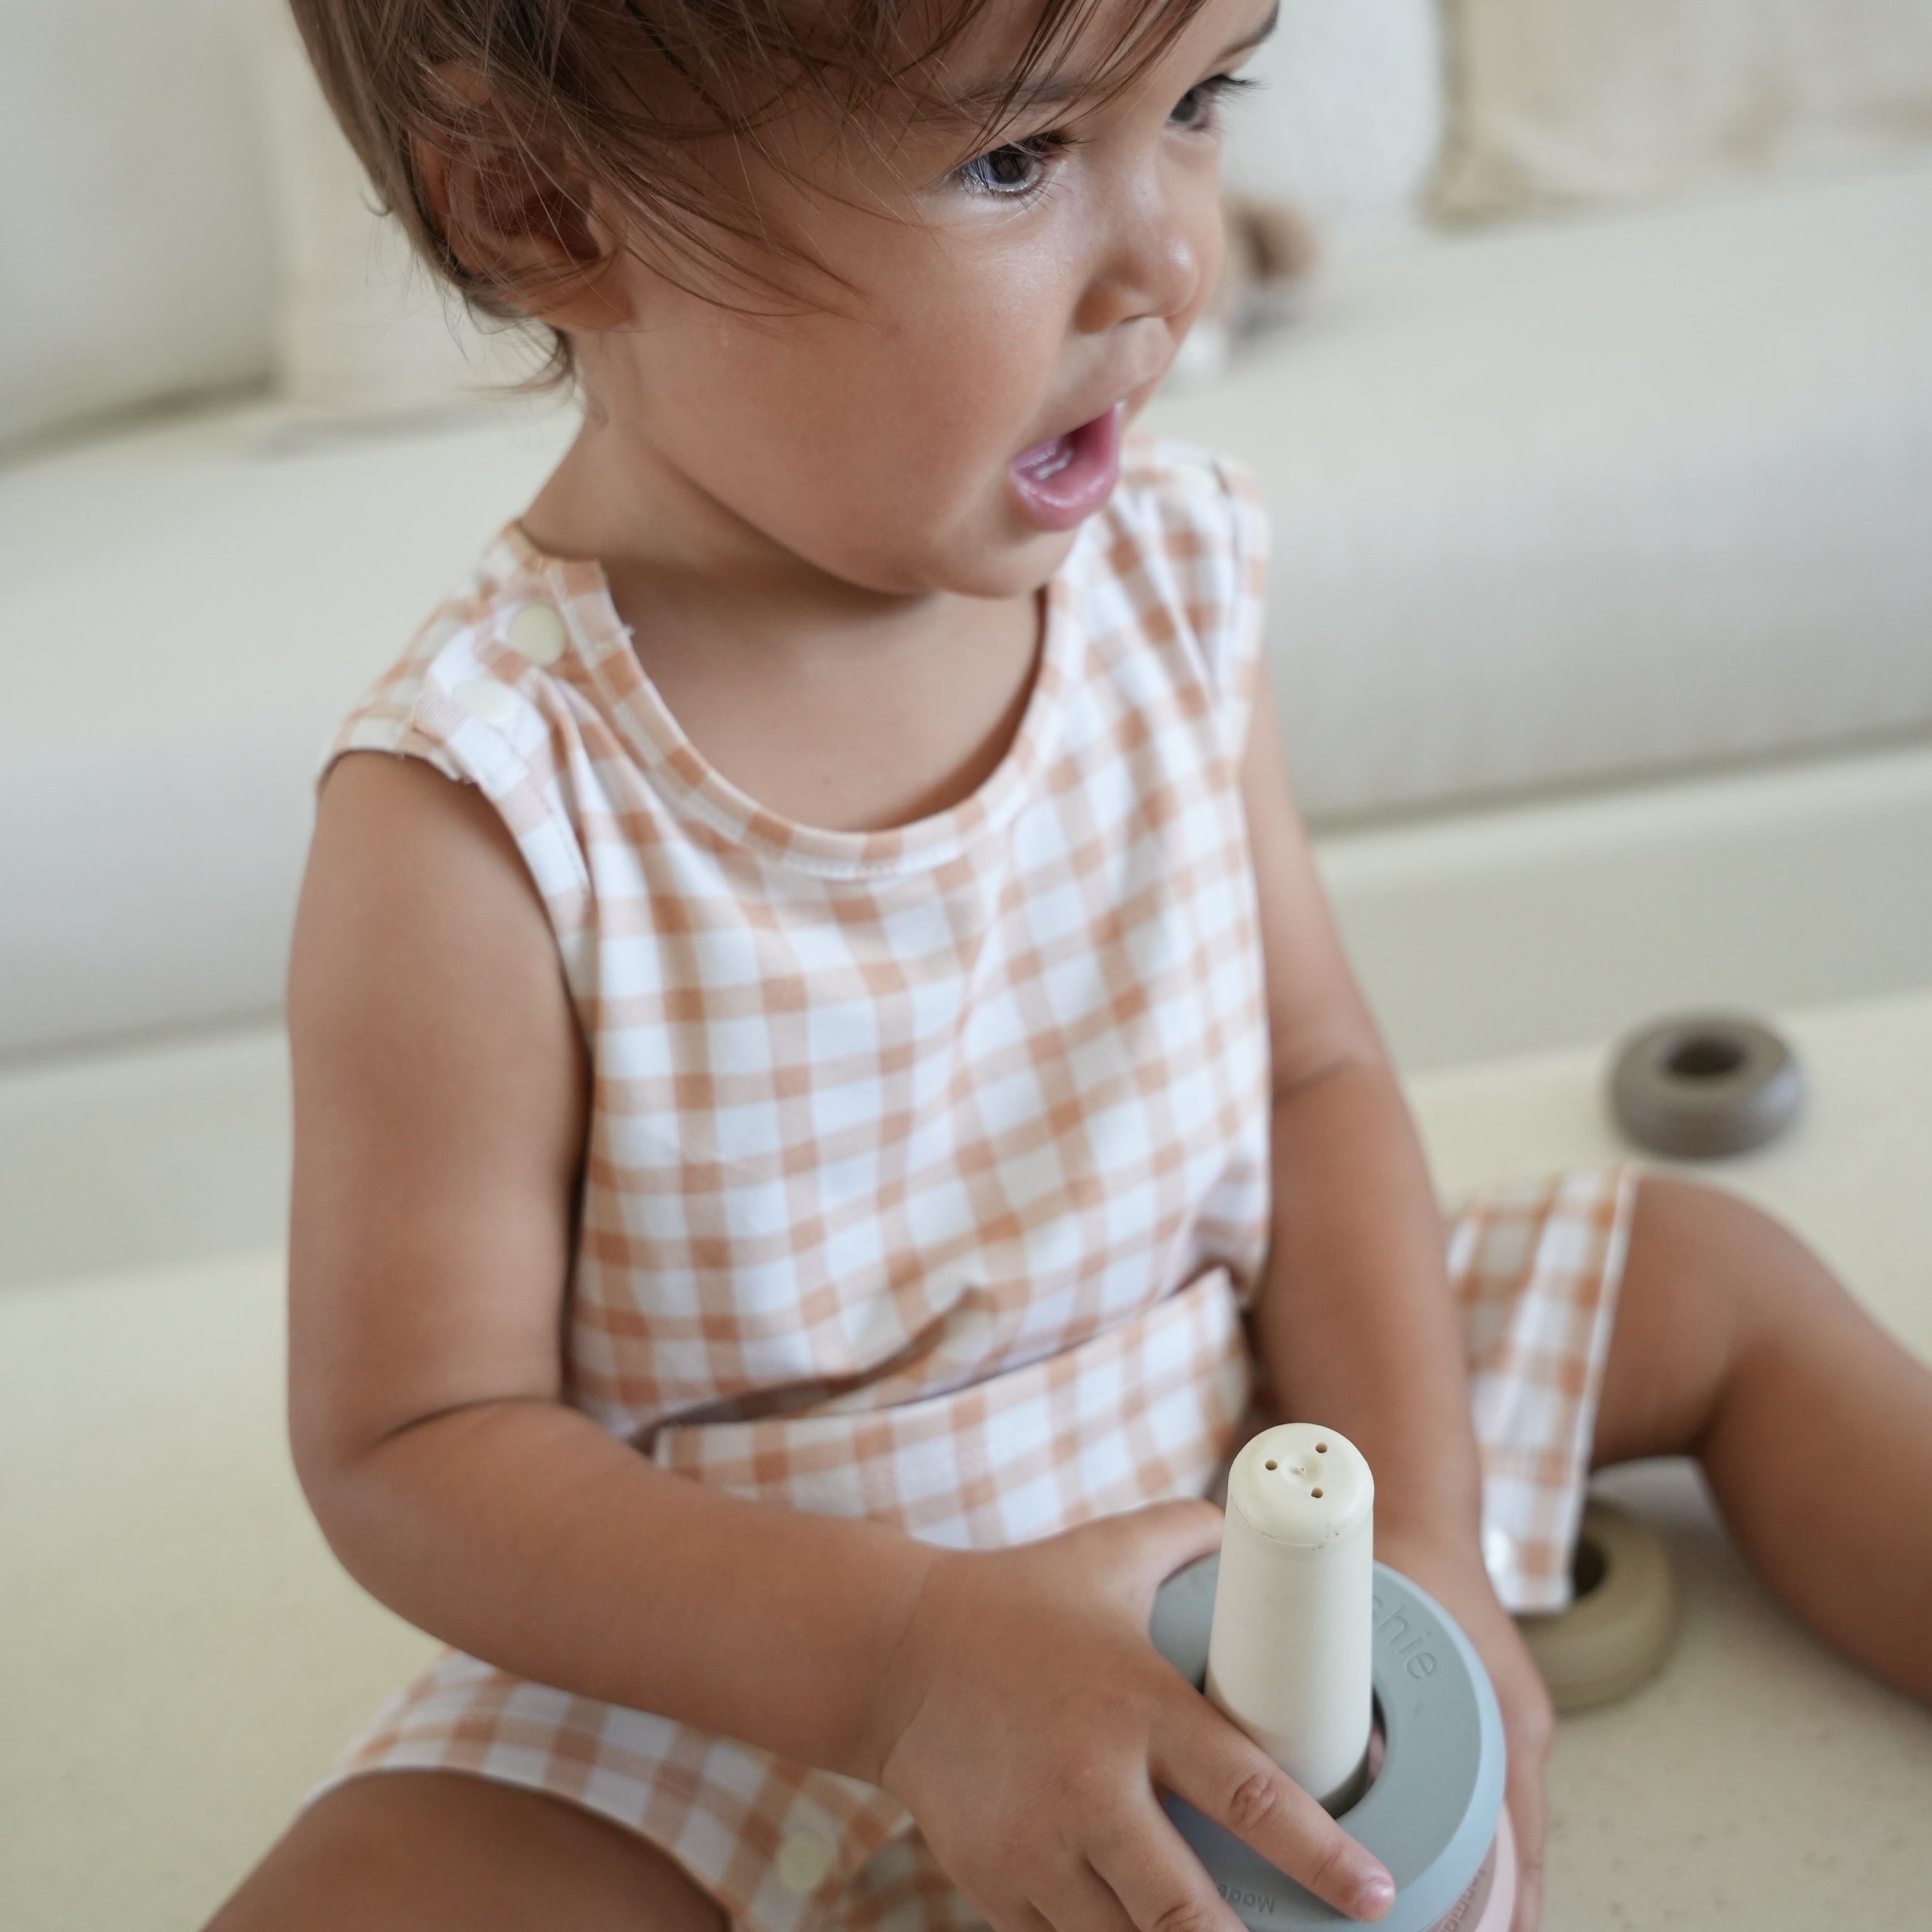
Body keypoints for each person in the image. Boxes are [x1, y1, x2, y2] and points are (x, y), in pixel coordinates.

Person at [209, 1, 1932, 1927]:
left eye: (1199, 103)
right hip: (763, 1619)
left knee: (1709, 1274)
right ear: (540, 208)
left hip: (1237, 1409)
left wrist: (1416, 1535)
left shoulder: (1162, 579)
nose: (1173, 258)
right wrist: (905, 1661)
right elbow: (419, 1447)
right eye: (1014, 159)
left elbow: (1312, 1079)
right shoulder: (481, 808)